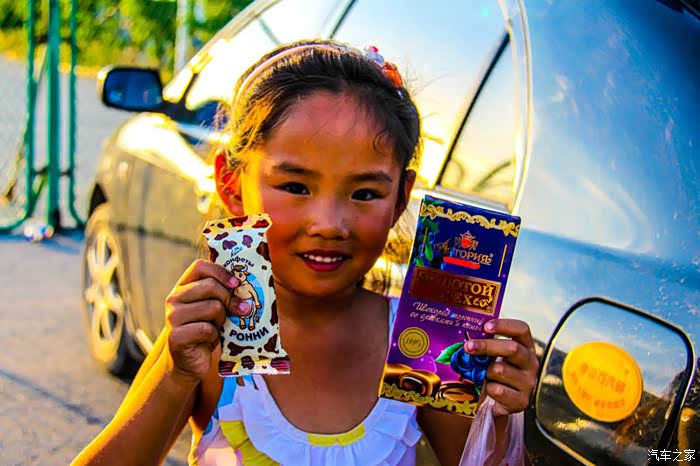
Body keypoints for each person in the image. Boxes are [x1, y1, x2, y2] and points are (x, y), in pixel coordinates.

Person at [73, 39, 539, 466]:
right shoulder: (212, 341)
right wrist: (176, 377)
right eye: (295, 186)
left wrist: (498, 413)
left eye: (364, 193)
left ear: (400, 198)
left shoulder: (423, 343)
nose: (329, 224)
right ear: (231, 185)